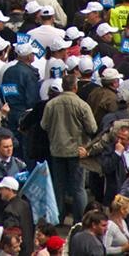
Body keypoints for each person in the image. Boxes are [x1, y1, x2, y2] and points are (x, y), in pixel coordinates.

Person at [41, 74, 97, 223]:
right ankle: (80, 220)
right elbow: (92, 128)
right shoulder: (82, 105)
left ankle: (58, 218)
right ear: (75, 87)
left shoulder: (51, 104)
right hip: (77, 151)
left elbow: (44, 125)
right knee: (78, 188)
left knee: (58, 186)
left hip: (57, 150)